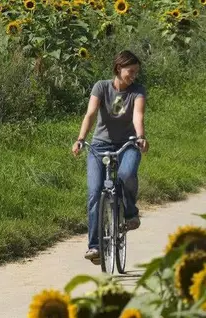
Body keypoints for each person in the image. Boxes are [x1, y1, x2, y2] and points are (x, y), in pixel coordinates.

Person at [71, 50, 149, 264]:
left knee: (126, 175)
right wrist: (80, 139)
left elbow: (137, 115)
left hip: (128, 144)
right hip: (99, 145)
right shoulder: (101, 87)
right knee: (95, 192)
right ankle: (95, 246)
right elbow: (90, 114)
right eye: (130, 71)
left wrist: (140, 137)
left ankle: (130, 212)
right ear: (118, 68)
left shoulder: (137, 91)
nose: (133, 76)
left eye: (136, 72)